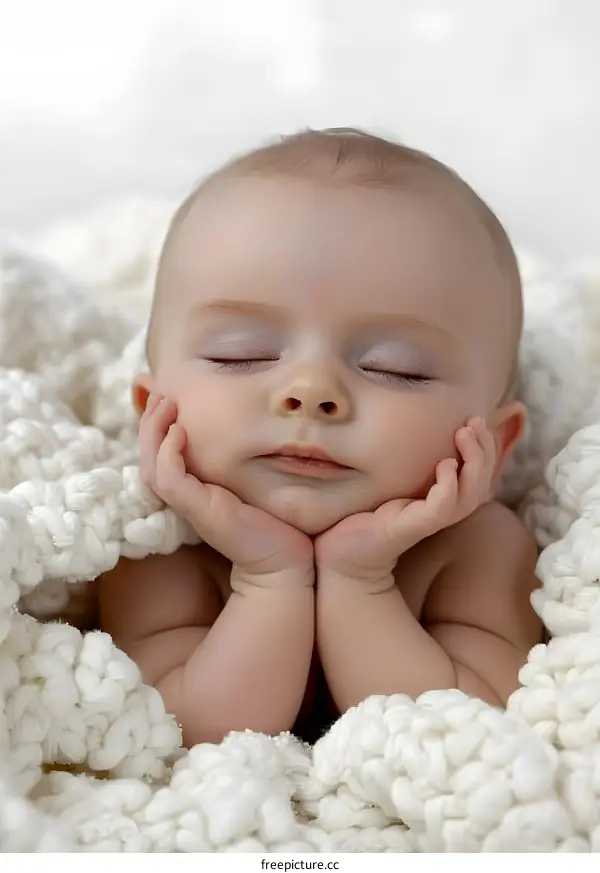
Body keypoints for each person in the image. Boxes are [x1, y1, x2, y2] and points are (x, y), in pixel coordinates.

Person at [99, 128, 543, 746]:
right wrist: (267, 577)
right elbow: (183, 732)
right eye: (241, 354)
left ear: (494, 448)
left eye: (395, 367)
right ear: (153, 409)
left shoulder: (477, 546)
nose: (309, 391)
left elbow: (470, 736)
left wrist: (363, 581)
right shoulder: (157, 543)